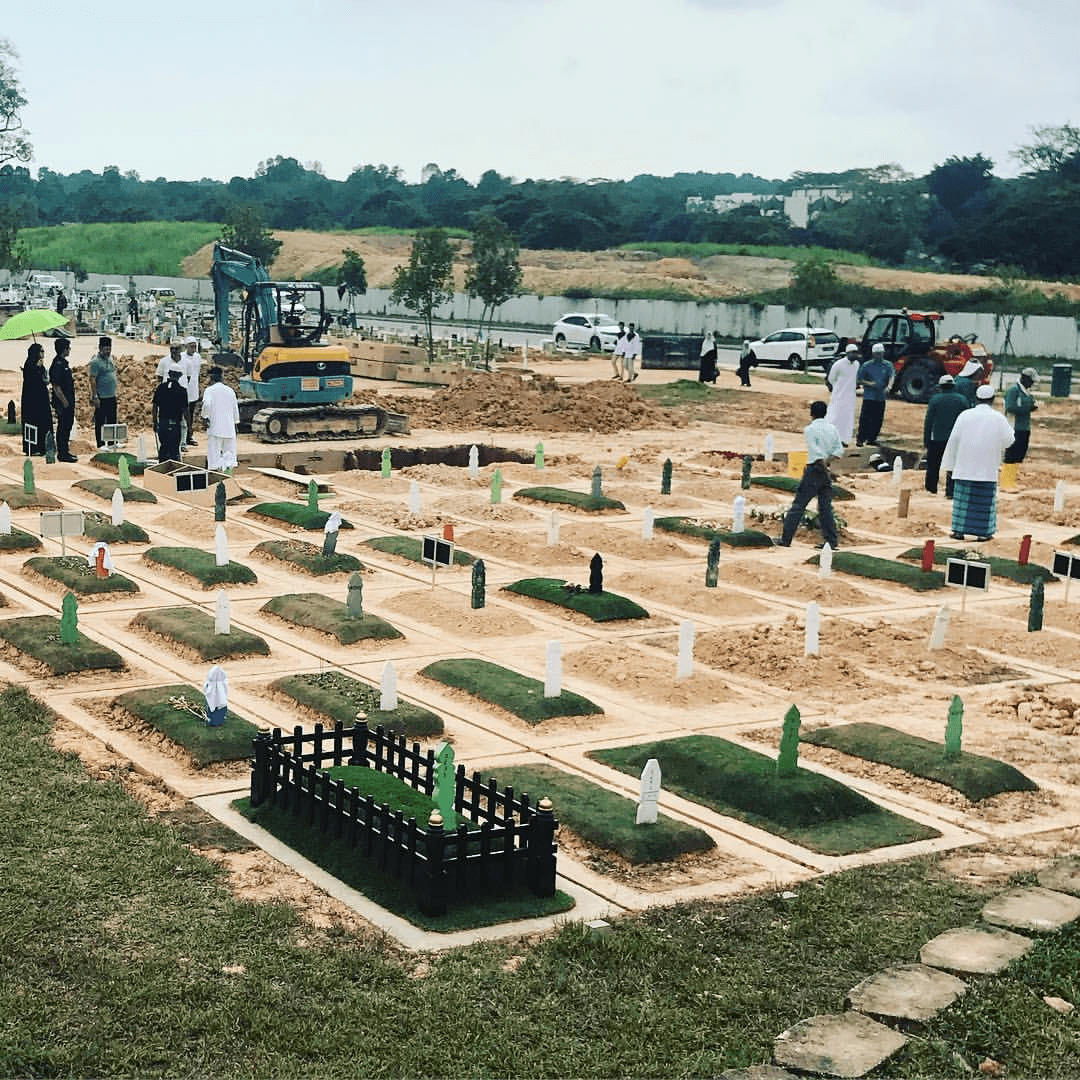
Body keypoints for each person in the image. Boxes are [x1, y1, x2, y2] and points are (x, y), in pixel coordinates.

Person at [940, 383, 1015, 542]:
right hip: (986, 468)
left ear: (976, 398)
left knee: (962, 502)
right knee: (983, 503)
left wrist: (950, 465)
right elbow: (1010, 440)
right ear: (993, 400)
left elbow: (953, 440)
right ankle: (982, 533)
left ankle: (959, 531)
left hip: (964, 467)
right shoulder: (998, 417)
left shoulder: (965, 415)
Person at [774, 400, 844, 550]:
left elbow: (817, 454)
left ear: (811, 413)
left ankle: (786, 539)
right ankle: (831, 541)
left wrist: (825, 469)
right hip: (825, 469)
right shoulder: (832, 429)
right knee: (825, 508)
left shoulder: (810, 430)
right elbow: (838, 450)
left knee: (798, 506)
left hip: (815, 470)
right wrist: (828, 464)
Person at [922, 373, 967, 495]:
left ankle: (931, 489)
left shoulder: (935, 399)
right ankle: (951, 491)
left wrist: (926, 440)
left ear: (941, 386)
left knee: (933, 465)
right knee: (952, 465)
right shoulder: (962, 400)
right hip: (955, 439)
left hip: (937, 438)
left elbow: (929, 421)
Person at [201, 367, 240, 472]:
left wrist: (204, 418)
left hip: (215, 429)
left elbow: (207, 405)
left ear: (211, 378)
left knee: (214, 458)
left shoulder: (209, 390)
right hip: (229, 428)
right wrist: (235, 425)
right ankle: (228, 478)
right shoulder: (230, 391)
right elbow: (235, 409)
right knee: (229, 457)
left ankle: (215, 479)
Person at [855, 342, 892, 446]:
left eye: (881, 353)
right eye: (877, 354)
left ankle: (872, 438)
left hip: (880, 397)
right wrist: (870, 384)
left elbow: (891, 376)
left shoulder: (887, 365)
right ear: (873, 354)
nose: (879, 356)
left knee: (878, 419)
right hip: (869, 396)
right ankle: (861, 438)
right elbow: (859, 380)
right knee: (865, 418)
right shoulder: (867, 365)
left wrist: (889, 386)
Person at [20, 343, 54, 457]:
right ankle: (33, 447)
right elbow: (33, 381)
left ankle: (43, 446)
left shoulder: (40, 365)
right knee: (32, 422)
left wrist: (42, 369)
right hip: (32, 400)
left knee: (43, 421)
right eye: (41, 351)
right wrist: (38, 368)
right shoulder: (30, 364)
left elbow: (45, 379)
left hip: (41, 398)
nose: (43, 354)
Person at [825, 343, 860, 445]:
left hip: (850, 396)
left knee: (847, 418)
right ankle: (830, 438)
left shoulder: (857, 364)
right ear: (848, 353)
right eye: (853, 352)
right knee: (835, 416)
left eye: (856, 352)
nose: (855, 355)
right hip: (839, 395)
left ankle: (843, 440)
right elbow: (831, 379)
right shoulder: (838, 364)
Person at [49, 337, 78, 462]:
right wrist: (64, 401)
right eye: (68, 348)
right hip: (63, 402)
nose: (69, 350)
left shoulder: (64, 363)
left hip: (68, 400)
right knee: (63, 426)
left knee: (68, 425)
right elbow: (56, 385)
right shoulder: (58, 364)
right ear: (64, 349)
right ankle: (62, 452)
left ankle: (65, 450)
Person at [152, 368, 188, 463]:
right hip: (175, 425)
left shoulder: (161, 388)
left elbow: (155, 407)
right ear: (179, 376)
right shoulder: (182, 390)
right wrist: (189, 425)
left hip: (163, 424)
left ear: (169, 374)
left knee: (163, 448)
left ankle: (161, 472)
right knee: (174, 450)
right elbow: (185, 410)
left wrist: (155, 422)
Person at [1003, 367, 1039, 464]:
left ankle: (1013, 477)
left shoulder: (1026, 391)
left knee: (1019, 456)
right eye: (1031, 381)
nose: (1032, 384)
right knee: (1011, 457)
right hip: (1014, 427)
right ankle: (1007, 478)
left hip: (1023, 428)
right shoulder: (1014, 390)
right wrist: (1027, 408)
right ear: (1024, 378)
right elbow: (1010, 407)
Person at [88, 335, 117, 448]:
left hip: (111, 395)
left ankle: (111, 442)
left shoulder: (110, 359)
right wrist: (94, 396)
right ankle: (100, 444)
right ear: (100, 348)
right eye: (106, 349)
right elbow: (92, 379)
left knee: (112, 419)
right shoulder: (95, 362)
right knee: (100, 421)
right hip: (101, 396)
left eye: (109, 349)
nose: (108, 351)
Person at [181, 336, 202, 445]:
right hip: (184, 391)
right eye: (191, 345)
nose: (193, 347)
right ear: (186, 346)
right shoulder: (181, 357)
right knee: (183, 416)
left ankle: (189, 436)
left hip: (194, 390)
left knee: (191, 415)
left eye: (195, 345)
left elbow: (198, 374)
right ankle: (182, 439)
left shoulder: (198, 357)